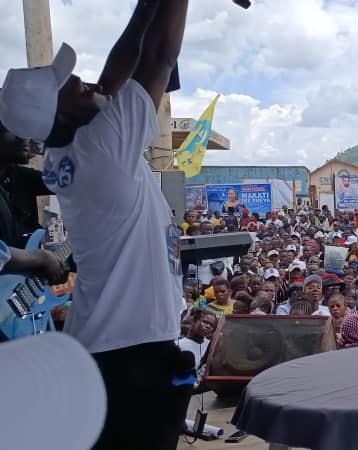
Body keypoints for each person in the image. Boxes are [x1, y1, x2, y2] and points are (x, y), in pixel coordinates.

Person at [0, 1, 190, 447]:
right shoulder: (105, 147)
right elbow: (159, 58)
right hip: (133, 353)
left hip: (110, 344)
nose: (85, 83)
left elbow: (110, 80)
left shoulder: (68, 153)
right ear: (61, 116)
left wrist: (146, 9)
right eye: (71, 87)